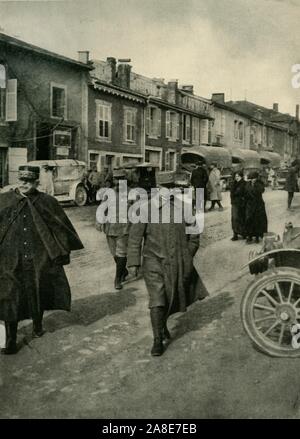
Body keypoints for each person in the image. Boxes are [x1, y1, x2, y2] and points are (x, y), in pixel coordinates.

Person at [0, 165, 84, 355]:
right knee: (9, 295)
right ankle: (10, 341)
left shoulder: (47, 201)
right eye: (21, 180)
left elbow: (60, 227)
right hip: (10, 258)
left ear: (36, 182)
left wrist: (61, 252)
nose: (24, 184)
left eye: (28, 181)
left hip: (38, 257)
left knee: (37, 289)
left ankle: (37, 326)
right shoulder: (4, 200)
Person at [126, 176, 209, 357]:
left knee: (171, 296)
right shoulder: (146, 209)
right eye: (166, 187)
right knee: (157, 298)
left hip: (178, 261)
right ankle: (157, 340)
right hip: (153, 261)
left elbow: (194, 236)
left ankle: (162, 326)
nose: (170, 191)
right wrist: (133, 263)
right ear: (157, 187)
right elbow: (134, 239)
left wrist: (187, 255)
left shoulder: (184, 207)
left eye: (173, 187)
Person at [96, 168, 131, 290]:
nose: (118, 182)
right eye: (116, 179)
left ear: (125, 180)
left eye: (121, 179)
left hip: (124, 227)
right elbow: (102, 207)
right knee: (114, 253)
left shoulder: (130, 193)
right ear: (112, 180)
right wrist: (99, 220)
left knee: (121, 252)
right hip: (110, 227)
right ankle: (123, 271)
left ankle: (117, 279)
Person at [244, 171, 268, 244]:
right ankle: (249, 236)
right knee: (249, 219)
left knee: (257, 220)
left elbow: (261, 190)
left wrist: (255, 185)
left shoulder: (259, 184)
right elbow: (245, 193)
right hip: (249, 205)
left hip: (258, 205)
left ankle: (257, 236)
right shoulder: (247, 184)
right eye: (252, 178)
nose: (253, 180)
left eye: (254, 178)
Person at [230, 171, 246, 241]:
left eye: (238, 176)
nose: (236, 178)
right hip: (235, 204)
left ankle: (243, 233)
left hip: (242, 204)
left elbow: (245, 193)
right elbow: (232, 193)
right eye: (235, 176)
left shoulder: (244, 183)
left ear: (241, 176)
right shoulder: (234, 183)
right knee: (234, 218)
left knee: (242, 218)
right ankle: (235, 234)